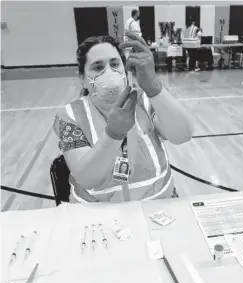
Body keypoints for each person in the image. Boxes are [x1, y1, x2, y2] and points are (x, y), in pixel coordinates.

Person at [53, 33, 193, 203]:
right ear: (82, 79)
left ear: (125, 69)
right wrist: (113, 134)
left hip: (157, 203)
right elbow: (87, 178)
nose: (109, 72)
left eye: (114, 64)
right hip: (97, 214)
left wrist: (153, 87)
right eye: (98, 67)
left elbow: (183, 135)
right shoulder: (70, 116)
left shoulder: (146, 100)